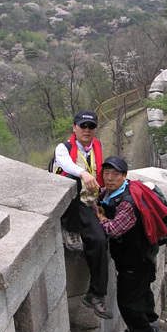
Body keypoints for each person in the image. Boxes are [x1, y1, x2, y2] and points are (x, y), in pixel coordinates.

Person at [94, 155, 164, 332]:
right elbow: (100, 197)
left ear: (124, 176)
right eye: (106, 173)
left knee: (127, 301)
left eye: (115, 174)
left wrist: (100, 217)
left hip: (135, 258)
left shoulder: (127, 202)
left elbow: (114, 229)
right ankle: (151, 324)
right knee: (142, 293)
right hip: (139, 256)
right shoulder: (112, 192)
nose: (109, 178)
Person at [54, 110, 112, 319]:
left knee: (99, 241)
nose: (87, 130)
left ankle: (95, 294)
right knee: (72, 179)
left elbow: (97, 176)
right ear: (74, 127)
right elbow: (65, 165)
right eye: (82, 126)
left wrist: (96, 202)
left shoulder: (97, 147)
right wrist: (83, 172)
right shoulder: (64, 148)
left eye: (91, 127)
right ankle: (70, 230)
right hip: (67, 204)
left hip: (86, 203)